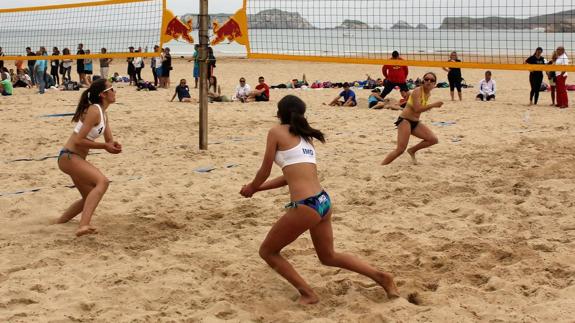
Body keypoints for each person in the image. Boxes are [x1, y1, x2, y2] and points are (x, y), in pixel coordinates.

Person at [239, 95, 399, 304]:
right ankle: (382, 277)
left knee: (268, 252)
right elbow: (288, 178)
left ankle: (308, 293)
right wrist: (257, 190)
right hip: (323, 201)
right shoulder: (307, 138)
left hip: (306, 206)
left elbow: (264, 170)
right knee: (328, 256)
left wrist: (252, 186)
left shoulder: (276, 131)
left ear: (279, 113)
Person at [55, 79, 121, 236]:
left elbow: (108, 142)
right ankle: (83, 225)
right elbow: (79, 140)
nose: (115, 92)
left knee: (88, 197)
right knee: (102, 182)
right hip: (69, 157)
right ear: (103, 94)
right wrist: (105, 147)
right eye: (112, 89)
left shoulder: (103, 113)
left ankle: (58, 223)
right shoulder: (94, 110)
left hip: (75, 159)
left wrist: (113, 146)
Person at [382, 72, 442, 165]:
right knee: (400, 149)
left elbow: (418, 108)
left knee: (433, 139)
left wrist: (429, 107)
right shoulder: (418, 90)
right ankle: (382, 165)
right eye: (426, 79)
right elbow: (417, 109)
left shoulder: (428, 93)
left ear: (434, 84)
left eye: (431, 80)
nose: (428, 81)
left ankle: (412, 150)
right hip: (405, 120)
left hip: (415, 122)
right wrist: (433, 105)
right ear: (423, 81)